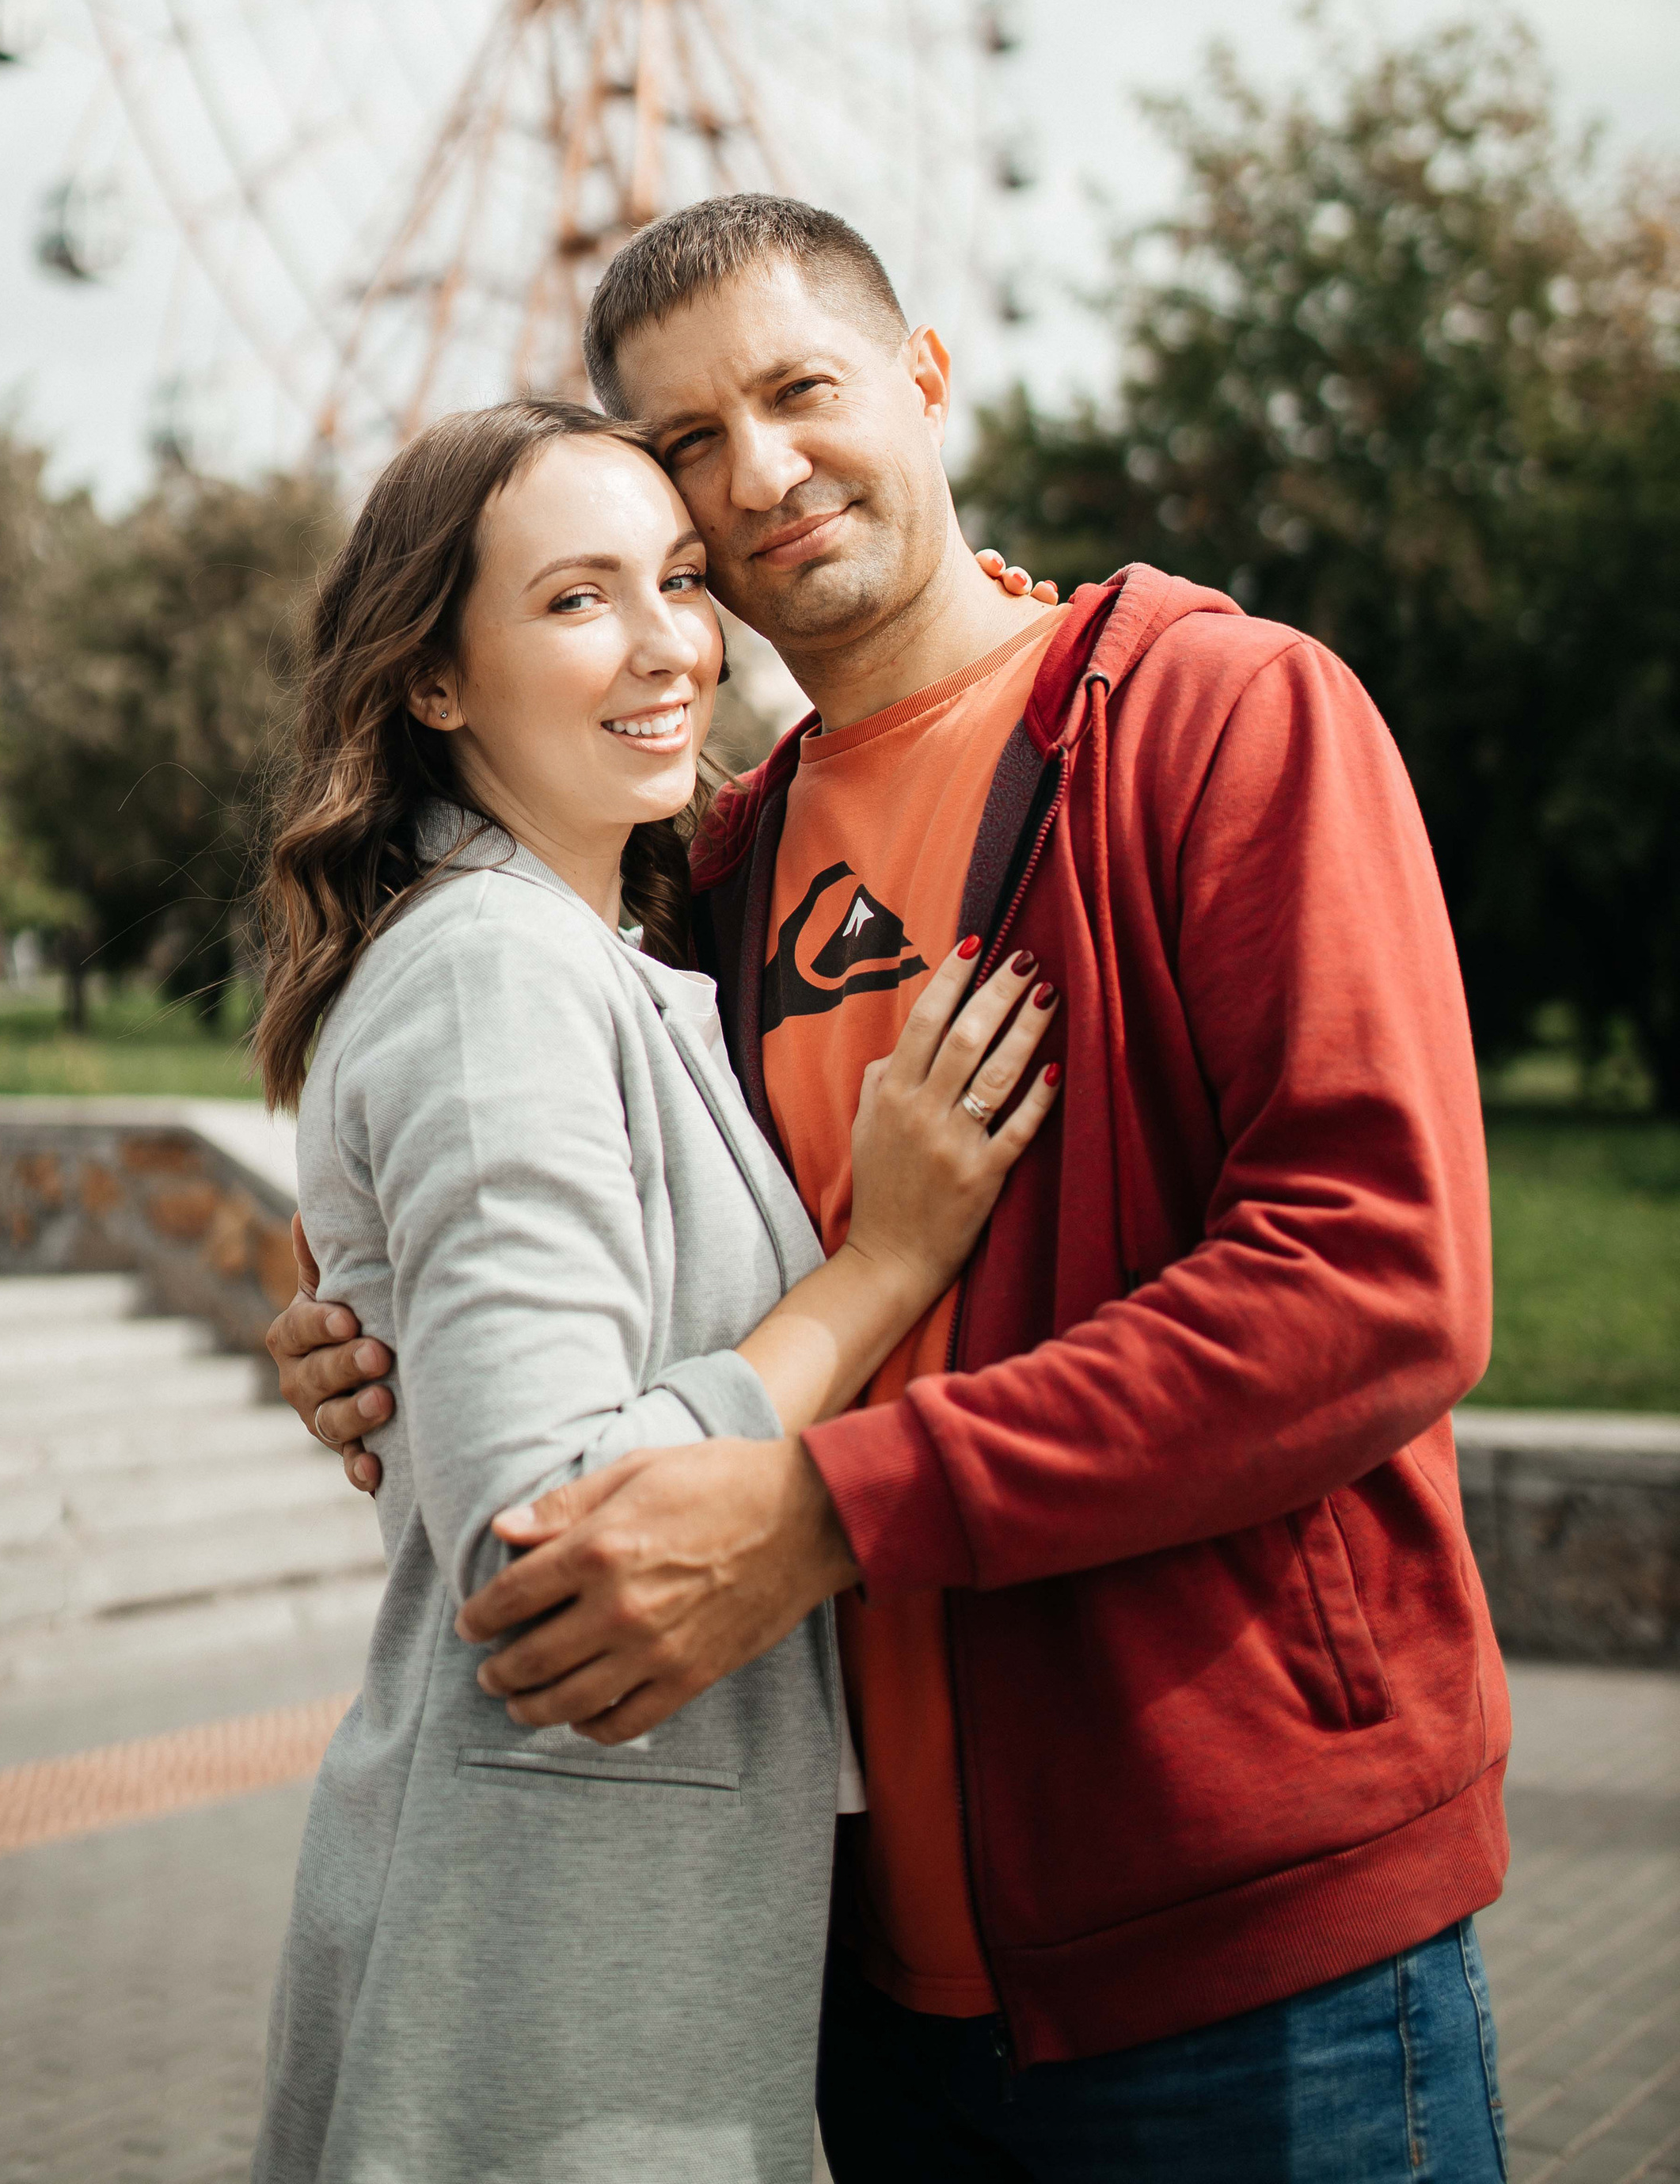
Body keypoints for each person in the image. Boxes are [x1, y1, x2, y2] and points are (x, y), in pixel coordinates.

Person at [276, 195, 1512, 2182]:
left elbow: (1372, 1282)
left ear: (922, 378)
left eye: (798, 391)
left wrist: (829, 1514)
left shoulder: (1213, 720)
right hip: (854, 1987)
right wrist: (383, 1321)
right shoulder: (719, 867)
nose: (756, 474)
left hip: (1229, 1950)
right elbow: (567, 1189)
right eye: (686, 443)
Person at [248, 394, 1059, 2184]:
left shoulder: (594, 954)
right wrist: (886, 1261)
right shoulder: (496, 976)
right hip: (548, 1955)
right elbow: (545, 1526)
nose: (669, 643)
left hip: (623, 1918)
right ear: (432, 683)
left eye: (679, 580)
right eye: (574, 600)